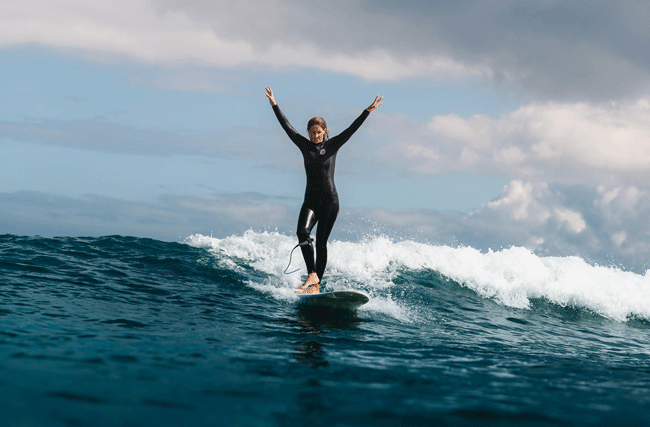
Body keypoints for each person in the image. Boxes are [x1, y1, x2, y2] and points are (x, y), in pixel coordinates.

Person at [265, 87, 383, 294]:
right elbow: (286, 126)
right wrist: (274, 104)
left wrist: (367, 111)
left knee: (321, 243)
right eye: (312, 133)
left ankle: (316, 285)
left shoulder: (333, 145)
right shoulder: (304, 146)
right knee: (302, 232)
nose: (315, 136)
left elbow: (351, 129)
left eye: (318, 132)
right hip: (310, 201)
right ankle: (312, 275)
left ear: (324, 131)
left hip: (330, 202)